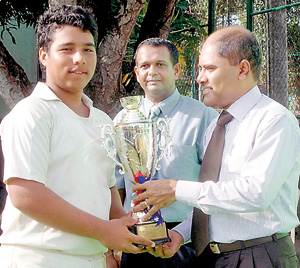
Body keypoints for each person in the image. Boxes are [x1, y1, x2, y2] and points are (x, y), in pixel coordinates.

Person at [132, 26, 300, 268]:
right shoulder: (218, 125)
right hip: (216, 256)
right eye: (200, 69)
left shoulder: (274, 120)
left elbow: (255, 194)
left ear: (243, 69)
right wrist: (179, 234)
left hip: (259, 256)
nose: (200, 78)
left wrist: (176, 189)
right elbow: (216, 198)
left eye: (210, 68)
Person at [0, 5, 154, 268]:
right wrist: (103, 231)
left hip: (92, 259)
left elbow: (106, 191)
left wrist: (132, 228)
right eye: (67, 49)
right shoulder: (32, 113)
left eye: (88, 49)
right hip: (39, 259)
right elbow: (25, 194)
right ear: (43, 56)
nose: (79, 58)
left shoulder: (102, 121)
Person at [113, 37, 217, 267]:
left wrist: (182, 233)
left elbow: (213, 185)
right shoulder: (123, 120)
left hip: (185, 239)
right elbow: (117, 186)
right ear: (136, 72)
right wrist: (116, 240)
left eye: (161, 64)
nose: (152, 72)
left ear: (177, 70)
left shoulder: (202, 117)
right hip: (135, 238)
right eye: (145, 66)